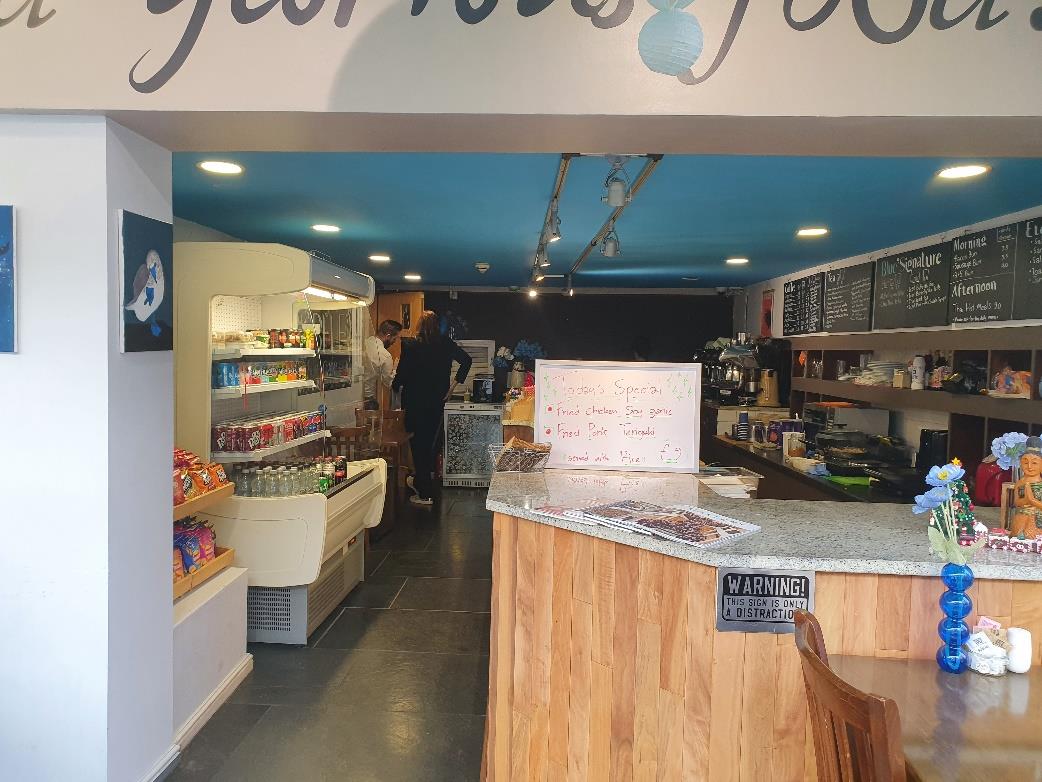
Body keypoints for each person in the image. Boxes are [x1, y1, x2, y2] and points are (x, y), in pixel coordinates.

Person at [392, 311, 472, 507]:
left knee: (417, 444)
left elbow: (401, 377)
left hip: (414, 402)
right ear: (437, 326)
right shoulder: (445, 344)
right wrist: (452, 387)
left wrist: (395, 384)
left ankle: (425, 492)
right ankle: (421, 482)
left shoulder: (410, 345)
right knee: (429, 444)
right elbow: (467, 361)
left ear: (419, 326)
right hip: (437, 401)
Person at [361, 319, 402, 410]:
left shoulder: (364, 342)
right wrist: (395, 368)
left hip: (355, 393)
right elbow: (388, 383)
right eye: (394, 339)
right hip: (369, 398)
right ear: (388, 336)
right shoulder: (385, 355)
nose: (394, 342)